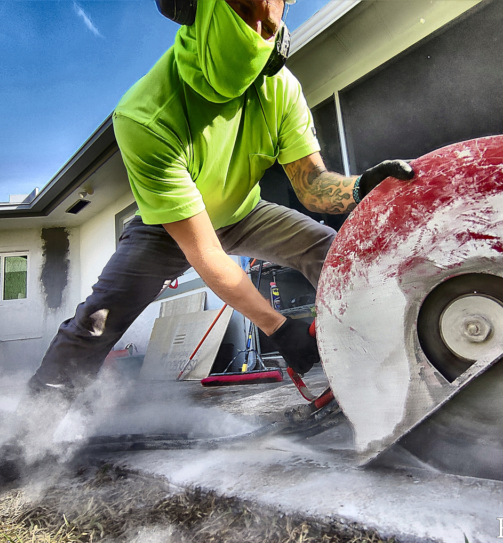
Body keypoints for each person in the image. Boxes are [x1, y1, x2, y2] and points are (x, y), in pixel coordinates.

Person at [27, 0, 414, 405]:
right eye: (243, 12)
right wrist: (278, 328)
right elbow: (206, 253)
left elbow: (311, 185)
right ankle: (29, 432)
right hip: (164, 231)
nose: (254, 36)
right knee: (96, 322)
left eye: (268, 26)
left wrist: (358, 188)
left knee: (330, 251)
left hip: (243, 213)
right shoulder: (146, 115)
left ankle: (388, 361)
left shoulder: (280, 90)